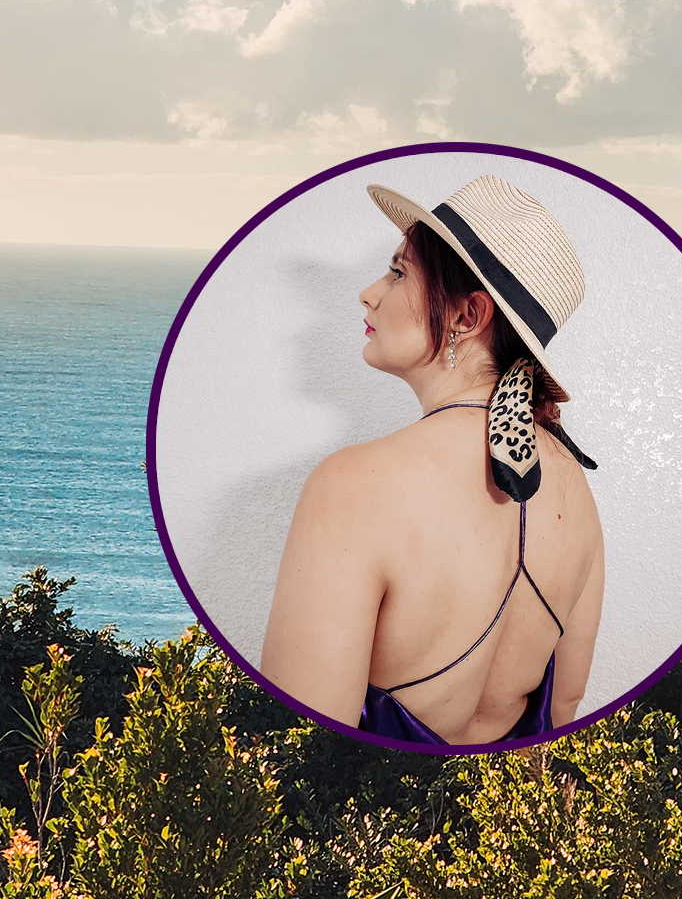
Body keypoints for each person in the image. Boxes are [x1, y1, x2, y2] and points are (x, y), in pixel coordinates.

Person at [259, 175, 605, 746]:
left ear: (467, 316)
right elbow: (563, 710)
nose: (369, 293)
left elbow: (297, 746)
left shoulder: (351, 488)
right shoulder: (577, 495)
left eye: (398, 272)